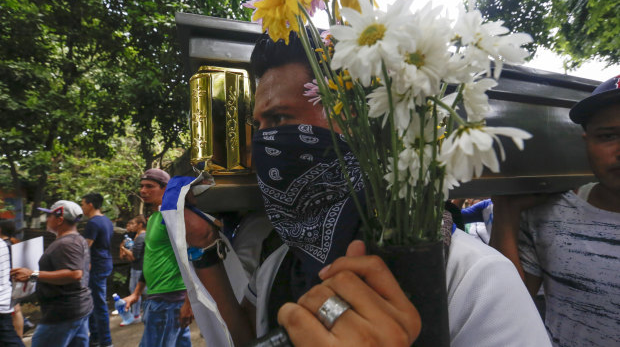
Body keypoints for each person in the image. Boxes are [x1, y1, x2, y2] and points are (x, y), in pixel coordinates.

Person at [181, 31, 550, 347]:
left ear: (360, 121)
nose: (263, 143)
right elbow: (248, 338)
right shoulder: (279, 265)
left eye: (280, 119)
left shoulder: (474, 277)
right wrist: (204, 249)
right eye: (259, 126)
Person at [491, 75, 620, 346]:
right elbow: (512, 306)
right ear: (586, 142)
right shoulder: (547, 214)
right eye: (608, 136)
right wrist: (505, 212)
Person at [122, 169, 193, 346]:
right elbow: (149, 257)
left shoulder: (174, 217)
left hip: (169, 299)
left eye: (149, 186)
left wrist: (190, 303)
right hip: (156, 297)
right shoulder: (154, 218)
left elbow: (191, 257)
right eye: (142, 186)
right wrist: (136, 293)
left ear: (165, 188)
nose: (143, 191)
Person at [11, 200, 93, 347]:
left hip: (62, 313)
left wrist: (32, 274)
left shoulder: (67, 243)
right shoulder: (77, 239)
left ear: (60, 219)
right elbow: (86, 267)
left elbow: (75, 274)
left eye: (50, 216)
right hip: (77, 308)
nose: (47, 219)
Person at [80, 193, 113, 347]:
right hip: (105, 262)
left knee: (98, 304)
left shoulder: (93, 223)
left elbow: (86, 248)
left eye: (83, 204)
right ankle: (95, 338)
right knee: (94, 302)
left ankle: (105, 341)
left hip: (96, 266)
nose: (82, 207)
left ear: (90, 205)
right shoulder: (106, 221)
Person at [118, 215, 147, 323]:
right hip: (138, 267)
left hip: (139, 268)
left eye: (133, 224)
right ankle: (137, 314)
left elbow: (135, 256)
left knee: (137, 291)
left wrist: (123, 248)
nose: (130, 226)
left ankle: (136, 316)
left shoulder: (140, 237)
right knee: (138, 291)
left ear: (140, 225)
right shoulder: (138, 236)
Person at [0, 219, 25, 338]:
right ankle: (18, 337)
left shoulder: (4, 245)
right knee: (16, 310)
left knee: (15, 311)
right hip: (14, 282)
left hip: (7, 283)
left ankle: (18, 337)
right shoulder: (14, 243)